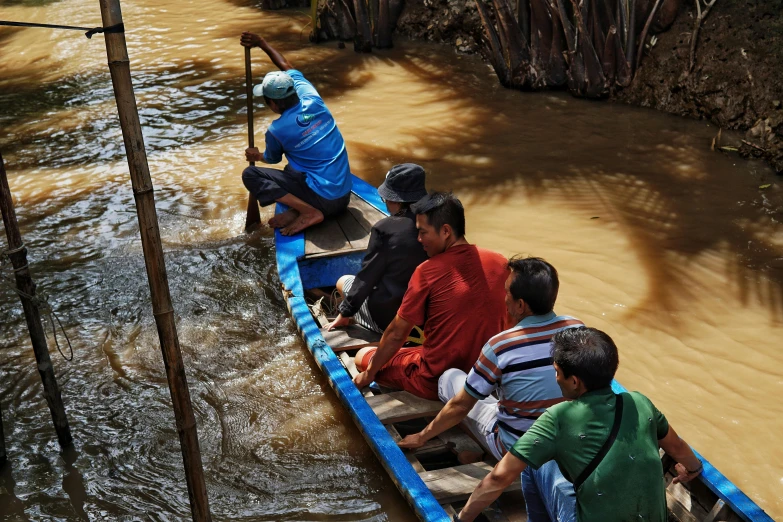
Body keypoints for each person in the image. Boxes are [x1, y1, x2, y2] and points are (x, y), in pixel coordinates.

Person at [453, 327, 704, 522]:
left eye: (557, 372)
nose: (555, 378)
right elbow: (677, 447)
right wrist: (693, 468)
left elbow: (499, 478)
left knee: (531, 462)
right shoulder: (641, 402)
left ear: (574, 381)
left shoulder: (558, 417)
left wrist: (462, 518)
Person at [398, 257, 584, 463]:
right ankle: (484, 453)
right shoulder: (578, 329)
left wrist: (421, 436)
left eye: (507, 293)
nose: (504, 299)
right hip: (563, 443)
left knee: (449, 378)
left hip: (515, 449)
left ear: (520, 305)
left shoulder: (501, 344)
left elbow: (460, 406)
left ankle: (491, 451)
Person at [352, 192, 508, 400]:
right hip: (486, 373)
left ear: (445, 231)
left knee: (363, 356)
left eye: (423, 233)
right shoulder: (501, 262)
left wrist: (368, 375)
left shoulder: (427, 271)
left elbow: (397, 333)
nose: (419, 240)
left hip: (434, 380)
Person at [240, 32, 352, 235]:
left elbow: (271, 159)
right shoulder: (312, 98)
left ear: (273, 104)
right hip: (344, 196)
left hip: (325, 202)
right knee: (293, 168)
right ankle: (297, 209)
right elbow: (287, 67)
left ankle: (308, 211)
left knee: (251, 174)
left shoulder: (276, 130)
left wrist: (256, 156)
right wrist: (263, 43)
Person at [326, 163, 429, 334]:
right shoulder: (437, 223)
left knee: (343, 281)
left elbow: (366, 278)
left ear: (393, 199)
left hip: (394, 320)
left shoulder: (384, 229)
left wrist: (345, 311)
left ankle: (355, 320)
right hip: (428, 317)